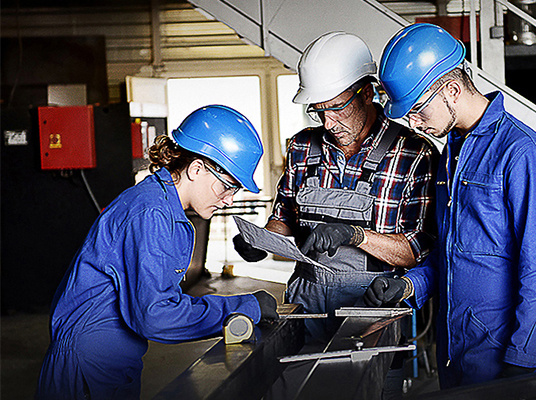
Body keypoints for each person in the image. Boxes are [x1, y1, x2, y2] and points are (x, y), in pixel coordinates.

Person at [364, 23, 536, 389]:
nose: (412, 123)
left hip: (499, 358)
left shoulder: (522, 153)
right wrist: (410, 287)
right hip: (455, 353)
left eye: (416, 111)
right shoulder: (451, 157)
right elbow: (454, 253)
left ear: (452, 91)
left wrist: (524, 360)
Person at [36, 105, 279, 399]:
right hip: (86, 365)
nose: (228, 201)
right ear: (197, 169)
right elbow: (155, 316)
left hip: (110, 358)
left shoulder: (163, 206)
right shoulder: (150, 212)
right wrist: (244, 307)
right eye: (227, 187)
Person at [233, 31, 438, 343]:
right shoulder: (302, 146)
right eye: (318, 110)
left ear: (368, 93)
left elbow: (415, 251)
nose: (328, 123)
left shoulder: (413, 152)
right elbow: (284, 218)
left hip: (371, 304)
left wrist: (354, 235)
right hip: (305, 300)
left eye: (337, 107)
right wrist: (262, 241)